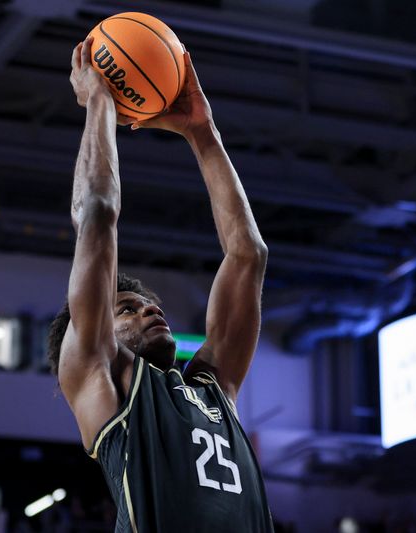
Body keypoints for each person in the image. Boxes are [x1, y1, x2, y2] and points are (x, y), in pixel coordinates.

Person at [47, 36, 273, 532]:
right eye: (127, 309)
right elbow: (98, 216)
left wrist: (203, 132)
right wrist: (101, 103)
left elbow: (248, 254)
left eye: (149, 304)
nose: (150, 310)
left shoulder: (216, 388)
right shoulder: (99, 378)